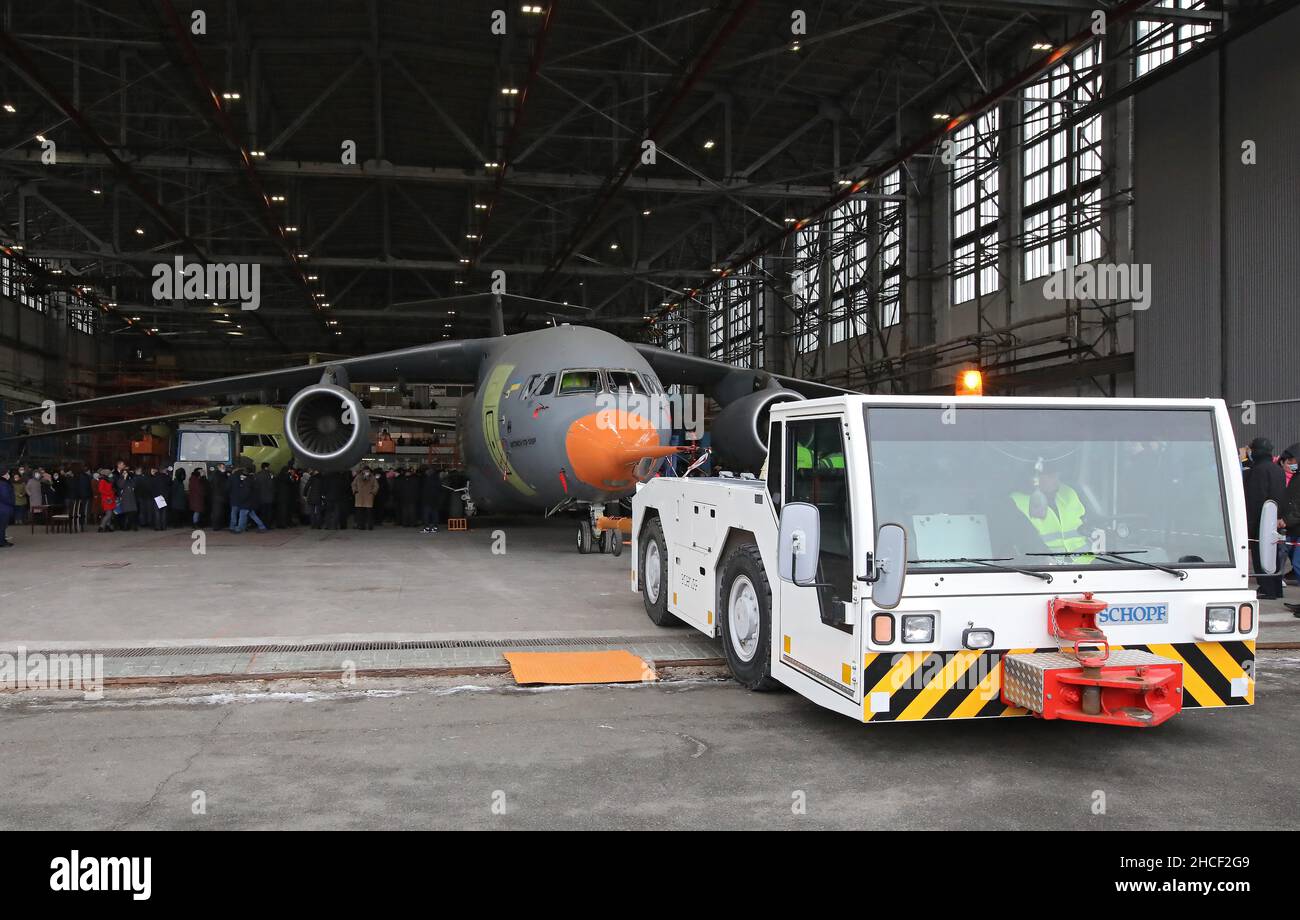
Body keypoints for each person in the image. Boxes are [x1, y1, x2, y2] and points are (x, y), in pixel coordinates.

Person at [1010, 461, 1091, 557]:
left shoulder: (1068, 492)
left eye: (1056, 474)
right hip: (1044, 568)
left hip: (1089, 564)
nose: (1056, 479)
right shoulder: (1015, 502)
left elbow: (1087, 523)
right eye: (1050, 476)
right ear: (1034, 479)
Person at [1244, 436, 1286, 600]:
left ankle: (1266, 588)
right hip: (1276, 519)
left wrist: (1250, 524)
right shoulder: (1277, 470)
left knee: (1260, 555)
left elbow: (1255, 499)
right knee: (1274, 555)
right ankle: (1276, 588)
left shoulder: (1258, 471)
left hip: (1260, 521)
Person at [228, 468, 267, 533]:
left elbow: (245, 493)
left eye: (241, 475)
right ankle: (262, 527)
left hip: (246, 503)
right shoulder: (251, 480)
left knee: (242, 516)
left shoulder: (246, 482)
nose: (240, 477)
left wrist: (240, 500)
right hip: (250, 502)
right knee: (253, 515)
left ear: (244, 475)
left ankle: (239, 529)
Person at [420, 466, 442, 533]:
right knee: (435, 514)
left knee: (426, 514)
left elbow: (423, 490)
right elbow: (439, 489)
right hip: (435, 500)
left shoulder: (426, 479)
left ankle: (426, 527)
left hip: (427, 500)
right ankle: (435, 527)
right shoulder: (437, 478)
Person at [254, 463, 275, 528]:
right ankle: (268, 525)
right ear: (266, 467)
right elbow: (271, 485)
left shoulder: (258, 474)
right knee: (269, 511)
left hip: (260, 496)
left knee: (262, 512)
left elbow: (256, 485)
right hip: (268, 496)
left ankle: (261, 525)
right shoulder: (269, 474)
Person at [209, 463, 229, 531]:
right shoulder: (219, 475)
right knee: (217, 512)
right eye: (223, 467)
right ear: (219, 467)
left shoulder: (215, 475)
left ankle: (217, 525)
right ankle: (216, 526)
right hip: (219, 496)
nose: (224, 468)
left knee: (217, 511)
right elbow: (223, 485)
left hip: (217, 496)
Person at [0, 469, 15, 548]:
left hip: (2, 507)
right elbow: (5, 496)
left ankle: (2, 540)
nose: (8, 475)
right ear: (4, 474)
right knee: (2, 526)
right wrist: (12, 502)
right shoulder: (3, 484)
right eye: (7, 473)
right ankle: (2, 542)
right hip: (4, 508)